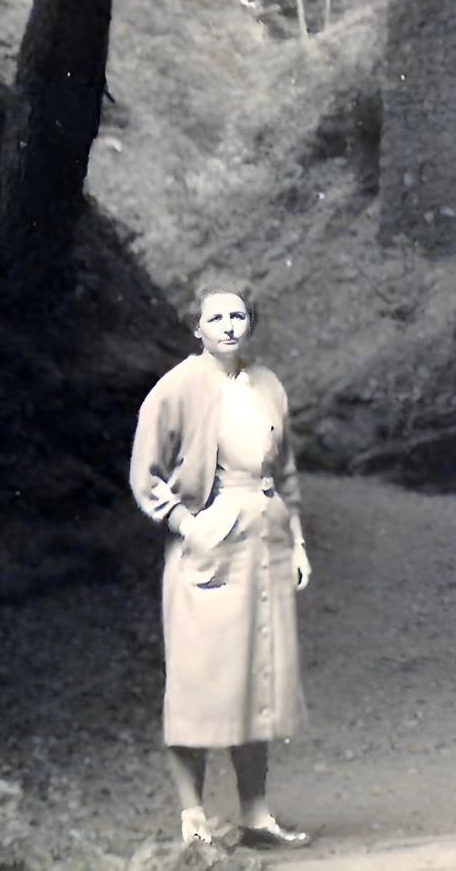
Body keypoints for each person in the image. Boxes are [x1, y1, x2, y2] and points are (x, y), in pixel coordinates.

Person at [130, 285, 313, 849]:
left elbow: (285, 471)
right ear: (197, 327)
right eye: (216, 317)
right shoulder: (177, 387)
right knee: (201, 681)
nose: (229, 325)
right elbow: (146, 474)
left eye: (238, 315)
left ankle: (255, 815)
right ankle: (194, 819)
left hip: (266, 546)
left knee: (256, 677)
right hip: (209, 549)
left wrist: (299, 541)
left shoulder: (267, 383)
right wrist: (189, 524)